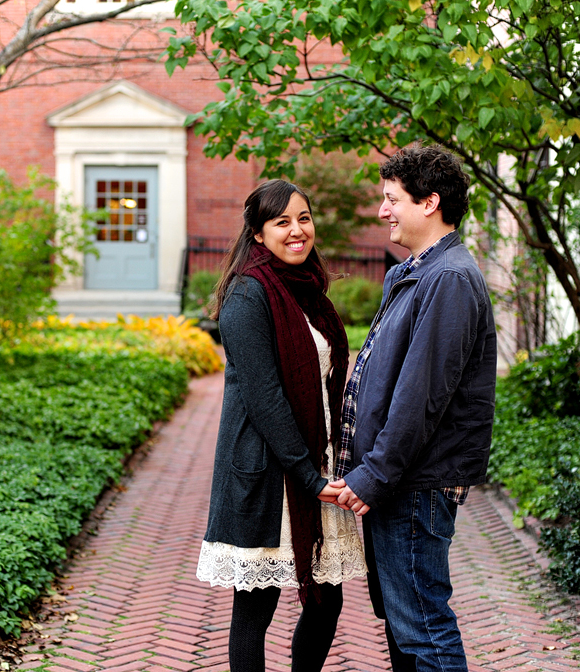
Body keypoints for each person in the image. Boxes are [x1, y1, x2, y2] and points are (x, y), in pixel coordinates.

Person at [332, 143, 498, 672]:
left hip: (413, 484)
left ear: (429, 203)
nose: (383, 211)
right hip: (400, 481)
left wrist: (374, 475)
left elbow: (421, 397)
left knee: (424, 630)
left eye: (391, 199)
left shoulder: (448, 278)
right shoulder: (417, 272)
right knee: (406, 632)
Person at [195, 179, 367, 672]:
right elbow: (266, 398)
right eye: (282, 222)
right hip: (270, 476)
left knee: (325, 603)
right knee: (255, 610)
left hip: (315, 465)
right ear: (257, 234)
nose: (297, 231)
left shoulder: (310, 292)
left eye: (304, 218)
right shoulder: (246, 297)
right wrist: (309, 477)